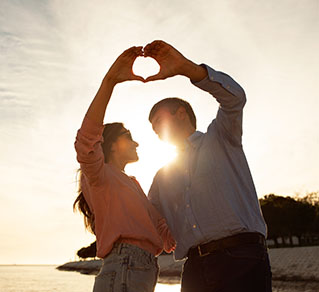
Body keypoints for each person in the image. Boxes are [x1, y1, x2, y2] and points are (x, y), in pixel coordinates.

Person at [144, 40, 272, 292]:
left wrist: (186, 68)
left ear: (181, 113)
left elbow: (235, 98)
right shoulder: (162, 177)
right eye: (153, 127)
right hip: (193, 267)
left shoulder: (221, 138)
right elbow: (144, 213)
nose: (156, 130)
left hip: (242, 258)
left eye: (159, 121)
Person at [73, 46, 175, 292]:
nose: (137, 142)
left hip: (139, 269)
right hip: (125, 267)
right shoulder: (99, 176)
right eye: (128, 136)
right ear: (111, 144)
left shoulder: (132, 184)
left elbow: (164, 234)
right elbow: (86, 142)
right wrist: (110, 82)